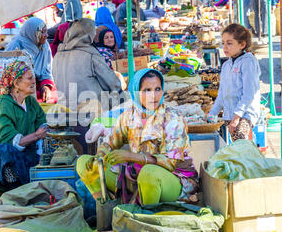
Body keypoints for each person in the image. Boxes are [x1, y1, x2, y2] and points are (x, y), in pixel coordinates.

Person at [76, 68, 199, 205]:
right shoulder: (129, 116)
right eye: (147, 90)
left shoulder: (173, 118)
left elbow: (170, 163)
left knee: (149, 173)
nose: (154, 95)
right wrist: (100, 155)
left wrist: (131, 157)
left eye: (157, 89)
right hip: (135, 177)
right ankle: (105, 206)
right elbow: (110, 141)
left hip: (174, 180)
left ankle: (143, 219)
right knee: (84, 163)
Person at [0, 60, 48, 194]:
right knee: (4, 150)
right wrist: (36, 135)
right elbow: (8, 141)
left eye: (33, 78)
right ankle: (13, 189)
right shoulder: (3, 105)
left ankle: (28, 187)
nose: (33, 81)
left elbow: (42, 122)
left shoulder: (30, 101)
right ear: (17, 83)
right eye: (29, 78)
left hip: (24, 153)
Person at [52, 18, 122, 110]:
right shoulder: (90, 54)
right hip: (91, 108)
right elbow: (111, 82)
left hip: (64, 108)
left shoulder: (58, 55)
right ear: (89, 34)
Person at [208, 24, 261, 141]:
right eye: (223, 43)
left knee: (241, 142)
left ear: (242, 44)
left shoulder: (248, 62)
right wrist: (211, 114)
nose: (225, 47)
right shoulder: (226, 65)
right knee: (238, 148)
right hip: (229, 114)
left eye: (229, 43)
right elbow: (221, 94)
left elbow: (249, 94)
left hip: (245, 114)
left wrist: (237, 118)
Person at [5, 17, 57, 104]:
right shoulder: (16, 44)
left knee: (52, 97)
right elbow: (8, 73)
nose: (46, 35)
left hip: (37, 85)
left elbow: (47, 71)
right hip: (18, 87)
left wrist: (45, 87)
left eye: (46, 31)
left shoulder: (44, 46)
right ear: (32, 33)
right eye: (42, 32)